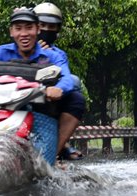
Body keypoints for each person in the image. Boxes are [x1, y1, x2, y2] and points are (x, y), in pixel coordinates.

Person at [0, 8, 76, 144]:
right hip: (0, 104)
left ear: (37, 29)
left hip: (38, 104)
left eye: (29, 28)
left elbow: (67, 79)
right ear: (11, 31)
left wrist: (57, 89)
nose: (24, 34)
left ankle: (56, 153)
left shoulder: (53, 55)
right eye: (18, 29)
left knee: (76, 99)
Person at [33, 2, 86, 160]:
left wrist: (46, 56)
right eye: (43, 25)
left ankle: (55, 152)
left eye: (52, 26)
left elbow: (67, 79)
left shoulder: (58, 54)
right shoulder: (10, 48)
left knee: (75, 88)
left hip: (48, 99)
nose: (47, 30)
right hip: (19, 95)